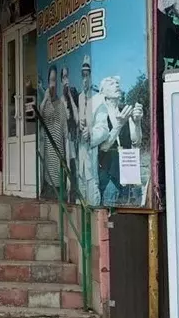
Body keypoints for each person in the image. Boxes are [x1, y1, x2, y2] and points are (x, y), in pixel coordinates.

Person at [89, 76, 143, 206]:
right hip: (109, 169)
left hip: (127, 166)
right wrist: (119, 124)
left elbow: (137, 141)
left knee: (128, 206)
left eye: (117, 83)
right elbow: (104, 146)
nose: (117, 85)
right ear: (103, 92)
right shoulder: (101, 114)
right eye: (111, 83)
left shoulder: (124, 110)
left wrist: (137, 122)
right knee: (110, 207)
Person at [39, 64, 67, 199]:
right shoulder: (44, 103)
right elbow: (40, 118)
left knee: (59, 185)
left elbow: (65, 132)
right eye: (51, 80)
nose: (53, 84)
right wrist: (45, 98)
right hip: (48, 153)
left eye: (55, 80)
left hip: (59, 152)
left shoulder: (61, 104)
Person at [75, 56, 98, 205]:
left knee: (92, 182)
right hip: (81, 147)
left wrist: (89, 130)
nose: (85, 79)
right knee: (81, 180)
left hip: (92, 147)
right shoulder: (80, 97)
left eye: (87, 75)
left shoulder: (96, 96)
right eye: (82, 75)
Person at [60, 64, 80, 202]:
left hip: (75, 135)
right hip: (66, 137)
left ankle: (76, 195)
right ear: (62, 80)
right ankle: (68, 196)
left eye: (67, 76)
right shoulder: (60, 100)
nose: (66, 79)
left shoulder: (73, 93)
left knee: (77, 166)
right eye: (64, 77)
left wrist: (70, 96)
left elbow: (77, 117)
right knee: (68, 165)